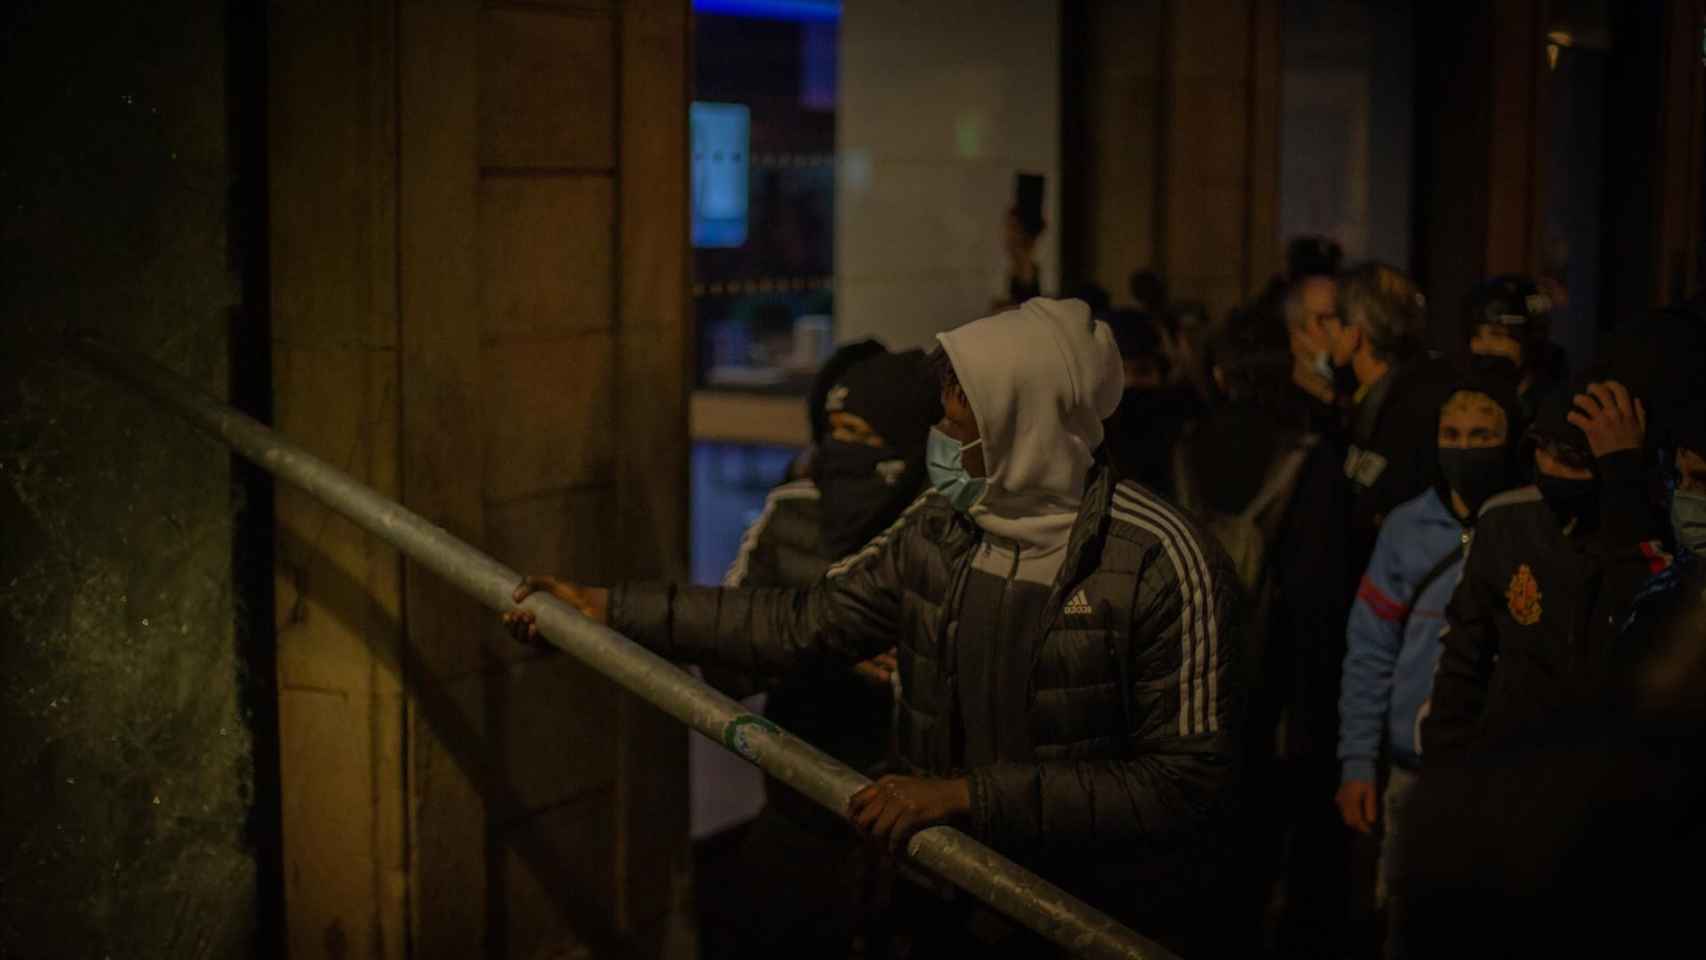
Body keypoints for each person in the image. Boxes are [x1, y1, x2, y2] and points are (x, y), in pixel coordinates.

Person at [504, 297, 1245, 955]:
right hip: (942, 904)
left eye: (957, 419)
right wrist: (610, 609)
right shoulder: (944, 528)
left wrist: (967, 796)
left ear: (1020, 422)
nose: (938, 439)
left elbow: (1184, 784)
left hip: (1080, 916)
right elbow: (804, 623)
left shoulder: (1159, 561)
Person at [703, 344, 941, 958]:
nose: (839, 454)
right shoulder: (790, 517)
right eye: (832, 433)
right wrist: (819, 645)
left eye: (859, 434)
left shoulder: (939, 532)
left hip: (910, 835)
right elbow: (723, 663)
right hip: (798, 811)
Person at [1335, 376, 1523, 958]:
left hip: (1498, 775)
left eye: (1481, 434)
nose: (1464, 447)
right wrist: (1357, 761)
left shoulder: (1524, 526)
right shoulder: (1405, 527)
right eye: (1453, 434)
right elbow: (1370, 649)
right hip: (1411, 773)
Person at [1421, 377, 1669, 760]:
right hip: (1507, 764)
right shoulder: (1506, 520)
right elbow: (1462, 651)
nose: (1551, 467)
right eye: (1543, 451)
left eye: (1570, 459)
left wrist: (1625, 485)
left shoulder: (1638, 534)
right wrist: (1444, 755)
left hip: (1603, 770)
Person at [1318, 262, 1455, 578]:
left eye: (1331, 320)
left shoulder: (1416, 404)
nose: (1324, 331)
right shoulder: (1368, 397)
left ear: (1354, 334)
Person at [1462, 275, 1563, 427]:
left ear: (1531, 340)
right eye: (1475, 335)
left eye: (1497, 334)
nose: (1481, 346)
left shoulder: (1555, 411)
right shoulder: (1460, 403)